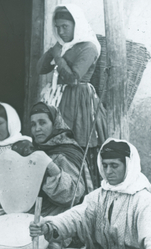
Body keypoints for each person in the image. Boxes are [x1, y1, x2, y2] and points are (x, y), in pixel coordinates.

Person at [30, 139, 151, 249]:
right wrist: (48, 227)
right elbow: (76, 217)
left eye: (114, 166)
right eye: (105, 166)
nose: (108, 172)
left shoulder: (143, 199)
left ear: (128, 166)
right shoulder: (99, 195)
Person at [37, 4, 107, 188]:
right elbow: (41, 68)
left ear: (76, 25)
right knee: (56, 144)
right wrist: (55, 50)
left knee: (75, 144)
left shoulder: (89, 47)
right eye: (57, 27)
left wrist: (59, 58)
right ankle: (59, 188)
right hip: (60, 101)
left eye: (65, 27)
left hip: (79, 102)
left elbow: (74, 79)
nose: (61, 30)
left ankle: (81, 190)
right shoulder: (65, 46)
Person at [29, 102, 94, 218]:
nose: (37, 129)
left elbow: (74, 194)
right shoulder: (35, 151)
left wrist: (51, 167)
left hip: (62, 220)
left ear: (55, 124)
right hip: (37, 214)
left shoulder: (66, 153)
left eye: (42, 122)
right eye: (33, 124)